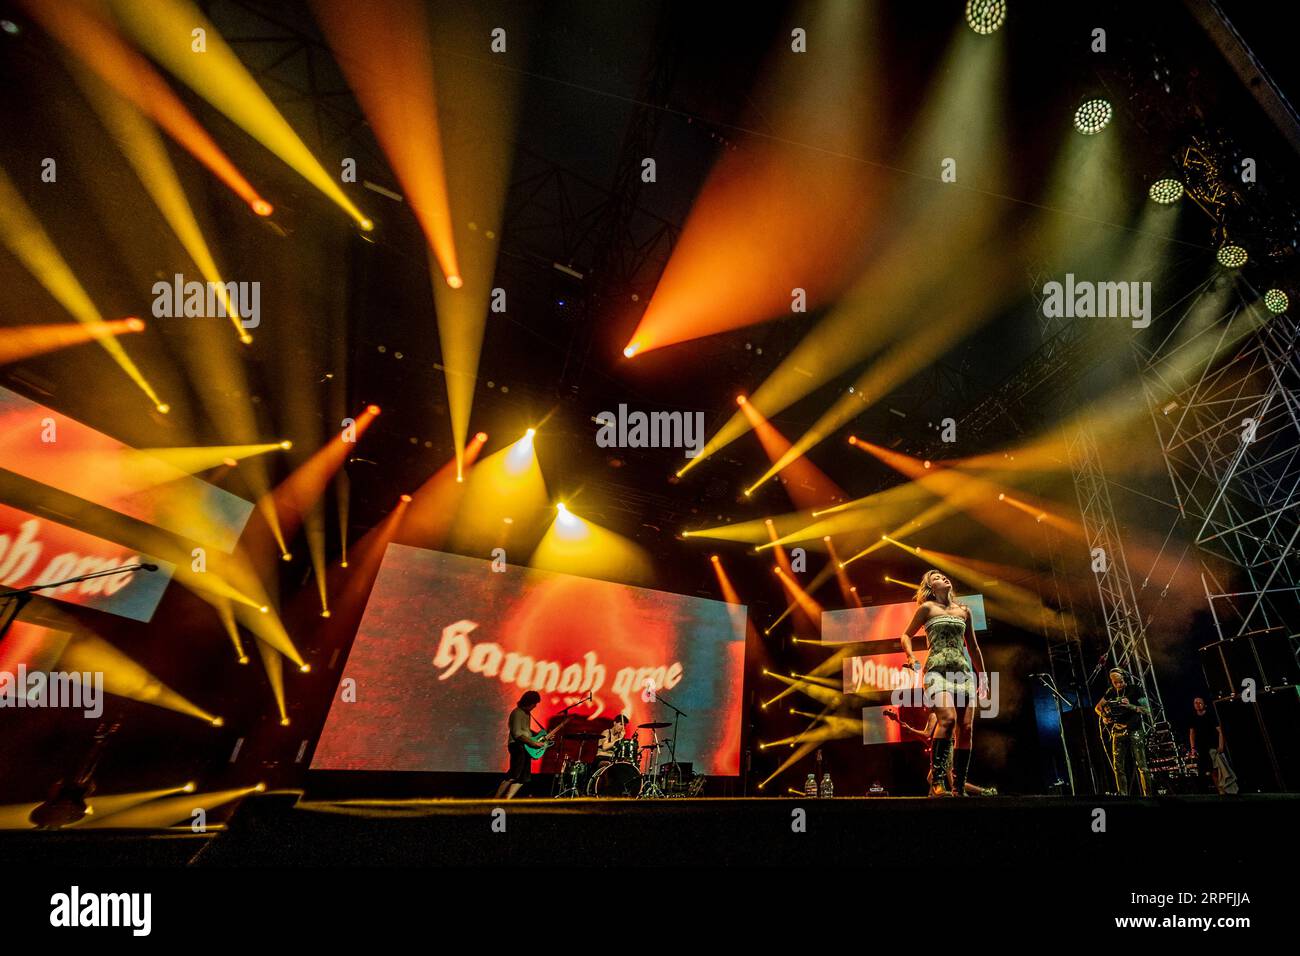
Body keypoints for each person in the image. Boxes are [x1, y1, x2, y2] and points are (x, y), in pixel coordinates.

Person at [900, 570, 987, 797]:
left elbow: (973, 647)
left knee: (966, 728)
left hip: (963, 673)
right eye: (936, 577)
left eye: (944, 576)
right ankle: (937, 783)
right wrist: (911, 656)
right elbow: (906, 635)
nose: (944, 578)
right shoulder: (927, 609)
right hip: (936, 671)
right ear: (930, 587)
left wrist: (983, 675)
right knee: (947, 719)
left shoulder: (964, 611)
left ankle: (959, 788)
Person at [888, 709, 997, 796]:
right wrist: (899, 722)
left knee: (952, 781)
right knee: (931, 778)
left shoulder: (936, 714)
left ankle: (982, 791)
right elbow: (928, 736)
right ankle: (938, 798)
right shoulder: (937, 714)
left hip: (946, 749)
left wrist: (905, 726)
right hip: (944, 748)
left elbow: (927, 735)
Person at [1094, 668, 1150, 795]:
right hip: (1118, 730)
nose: (1118, 685)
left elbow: (1147, 710)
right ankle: (1123, 795)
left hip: (1134, 729)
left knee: (1142, 765)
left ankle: (1148, 796)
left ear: (1124, 678)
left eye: (1120, 681)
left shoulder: (1135, 689)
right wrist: (1104, 716)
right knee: (1118, 766)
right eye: (1115, 682)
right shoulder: (1111, 691)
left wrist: (1131, 706)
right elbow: (1097, 707)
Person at [493, 691, 550, 799]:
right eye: (534, 703)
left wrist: (539, 736)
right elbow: (518, 734)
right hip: (517, 745)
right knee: (514, 774)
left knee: (523, 777)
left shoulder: (527, 714)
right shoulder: (517, 713)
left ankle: (506, 800)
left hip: (526, 746)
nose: (535, 706)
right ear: (528, 702)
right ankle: (495, 799)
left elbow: (526, 732)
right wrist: (534, 743)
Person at [1188, 696, 1235, 794]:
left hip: (1213, 746)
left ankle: (1225, 791)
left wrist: (1221, 745)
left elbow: (1220, 731)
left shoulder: (1210, 715)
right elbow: (1192, 733)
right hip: (1202, 748)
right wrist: (1193, 748)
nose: (1197, 704)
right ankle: (1219, 791)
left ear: (1204, 704)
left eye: (1199, 702)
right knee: (1208, 771)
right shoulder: (1193, 717)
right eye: (1195, 703)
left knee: (1218, 769)